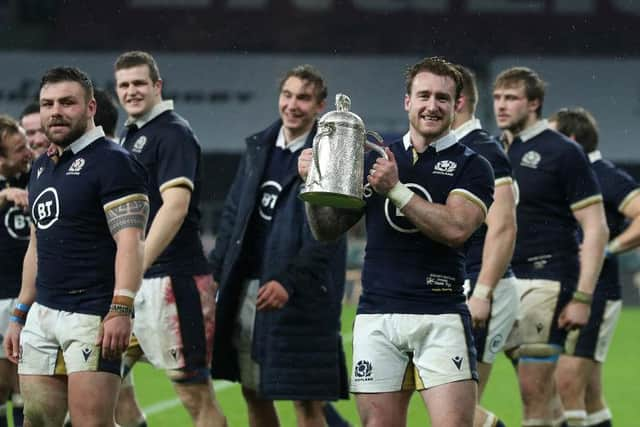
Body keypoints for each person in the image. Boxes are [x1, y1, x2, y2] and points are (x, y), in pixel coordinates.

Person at [300, 57, 495, 427]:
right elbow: (326, 230)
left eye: (442, 98)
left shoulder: (473, 165)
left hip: (440, 314)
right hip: (378, 314)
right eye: (423, 96)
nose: (432, 106)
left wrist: (396, 190)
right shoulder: (375, 157)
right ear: (407, 102)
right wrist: (313, 184)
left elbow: (456, 229)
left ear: (457, 105)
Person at [2, 66, 149, 427]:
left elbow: (130, 240)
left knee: (91, 423)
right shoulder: (41, 167)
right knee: (36, 420)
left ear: (90, 108)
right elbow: (37, 245)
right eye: (48, 103)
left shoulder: (114, 161)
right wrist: (21, 313)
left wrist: (121, 307)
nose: (56, 111)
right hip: (43, 312)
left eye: (67, 102)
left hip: (91, 313)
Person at [209, 64, 349, 427]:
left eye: (303, 98)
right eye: (287, 95)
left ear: (320, 106)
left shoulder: (330, 154)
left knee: (306, 403)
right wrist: (215, 274)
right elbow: (232, 217)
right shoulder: (258, 147)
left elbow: (330, 234)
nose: (292, 105)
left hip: (301, 296)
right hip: (248, 289)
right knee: (252, 391)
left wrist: (289, 280)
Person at [114, 51, 226, 427]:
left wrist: (134, 265)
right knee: (102, 384)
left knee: (194, 397)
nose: (131, 91)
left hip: (172, 281)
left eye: (139, 83)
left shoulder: (172, 132)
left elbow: (175, 207)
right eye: (124, 85)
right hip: (133, 284)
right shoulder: (128, 135)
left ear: (157, 86)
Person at [493, 67, 609, 427]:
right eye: (497, 97)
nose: (501, 106)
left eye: (511, 98)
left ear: (534, 103)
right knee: (544, 397)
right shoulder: (497, 149)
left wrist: (583, 298)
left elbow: (597, 228)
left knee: (534, 394)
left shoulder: (563, 151)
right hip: (504, 279)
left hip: (547, 277)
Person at [549, 108, 640, 427]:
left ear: (571, 140)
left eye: (553, 135)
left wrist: (607, 249)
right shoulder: (568, 178)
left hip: (597, 295)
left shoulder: (605, 176)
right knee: (589, 394)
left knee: (566, 387)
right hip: (569, 291)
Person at [451, 64, 519, 427]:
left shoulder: (483, 150)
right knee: (450, 404)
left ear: (458, 101)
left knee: (458, 409)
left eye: (438, 96)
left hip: (481, 285)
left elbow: (504, 226)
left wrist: (483, 291)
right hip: (461, 285)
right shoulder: (455, 147)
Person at [0, 116, 32, 427]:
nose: (28, 151)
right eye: (20, 148)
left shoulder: (35, 175)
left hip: (30, 297)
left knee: (28, 388)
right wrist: (2, 197)